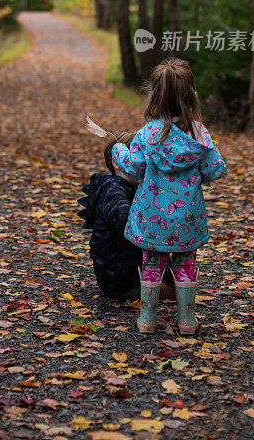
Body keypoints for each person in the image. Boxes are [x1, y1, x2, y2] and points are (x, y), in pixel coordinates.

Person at [111, 58, 227, 335]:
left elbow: (133, 168)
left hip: (151, 216)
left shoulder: (148, 134)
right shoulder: (199, 133)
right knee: (186, 264)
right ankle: (186, 321)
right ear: (191, 94)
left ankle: (147, 320)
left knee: (151, 264)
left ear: (154, 95)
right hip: (187, 218)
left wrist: (118, 150)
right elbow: (214, 170)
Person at [78, 130, 176, 302]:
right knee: (181, 293)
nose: (146, 165)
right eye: (139, 159)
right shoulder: (112, 190)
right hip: (121, 279)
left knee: (181, 283)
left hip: (129, 272)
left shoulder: (132, 188)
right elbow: (127, 219)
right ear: (118, 162)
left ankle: (165, 277)